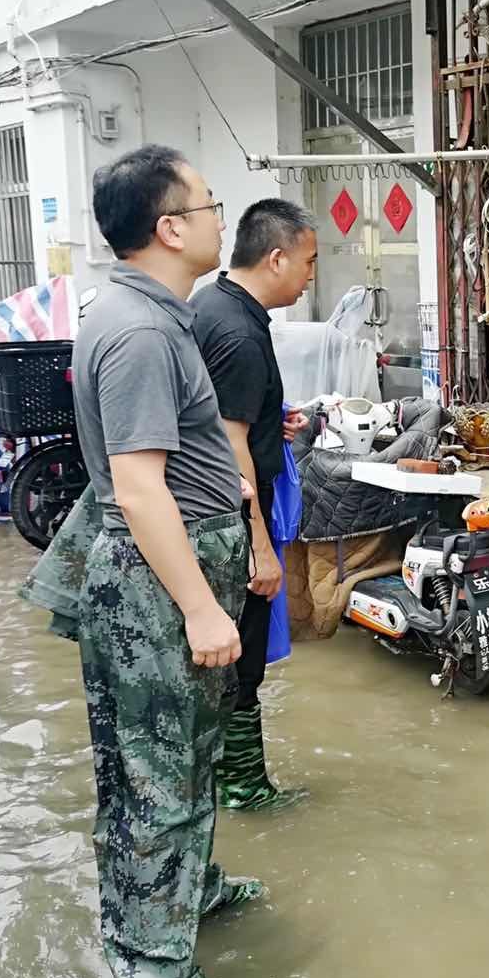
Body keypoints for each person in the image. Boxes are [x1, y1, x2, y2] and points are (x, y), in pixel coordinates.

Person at [73, 144, 261, 978]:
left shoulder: (148, 312)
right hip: (160, 582)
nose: (223, 217)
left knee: (177, 757)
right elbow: (140, 487)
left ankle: (187, 893)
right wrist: (200, 607)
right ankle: (151, 962)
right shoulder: (143, 328)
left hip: (170, 570)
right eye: (211, 202)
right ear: (170, 226)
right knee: (156, 775)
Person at [192, 199, 316, 810]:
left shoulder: (214, 305)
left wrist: (273, 421)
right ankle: (244, 788)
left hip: (207, 508)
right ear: (276, 258)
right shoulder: (239, 331)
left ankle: (221, 782)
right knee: (240, 664)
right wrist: (260, 546)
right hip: (234, 513)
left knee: (224, 660)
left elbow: (226, 418)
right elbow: (231, 441)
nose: (311, 273)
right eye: (309, 260)